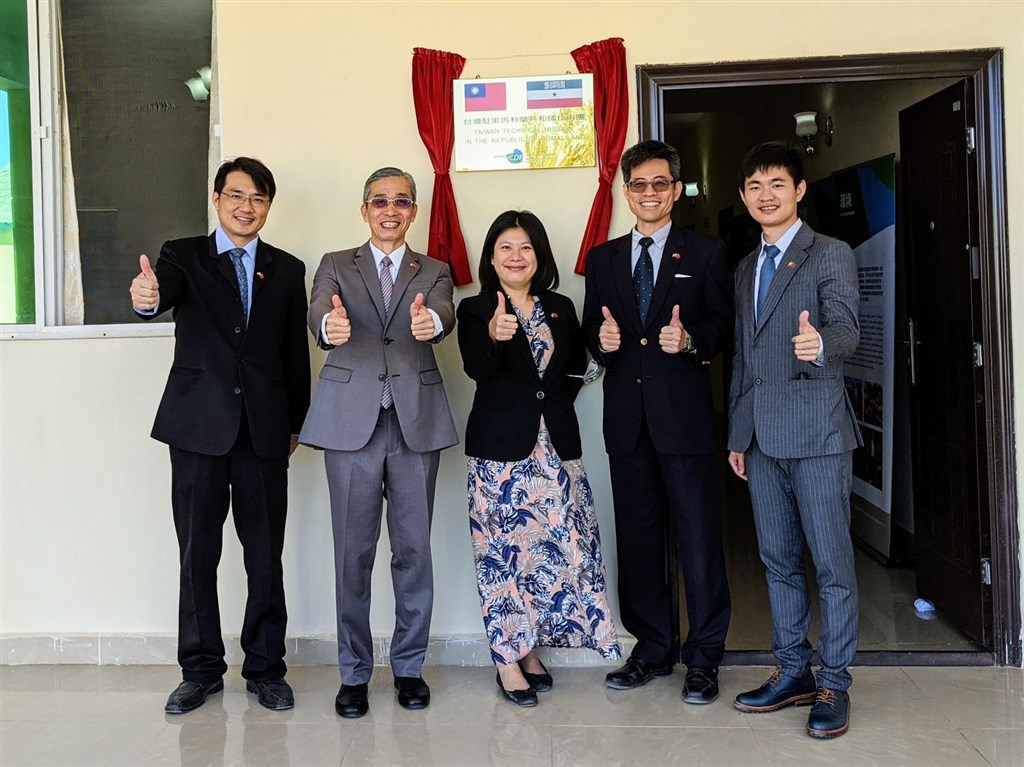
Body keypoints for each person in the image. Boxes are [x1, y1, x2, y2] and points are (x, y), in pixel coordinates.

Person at [129, 157, 310, 714]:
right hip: (198, 428)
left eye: (257, 198)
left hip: (263, 432)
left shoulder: (286, 267)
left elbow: (292, 355)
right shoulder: (183, 255)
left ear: (268, 206)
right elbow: (161, 295)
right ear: (216, 199)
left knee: (265, 555)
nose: (245, 206)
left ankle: (265, 669)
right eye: (235, 195)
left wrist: (295, 422)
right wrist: (147, 297)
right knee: (197, 554)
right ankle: (201, 670)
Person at [299, 167, 458, 719]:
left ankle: (409, 667)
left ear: (414, 211)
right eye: (379, 201)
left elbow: (445, 311)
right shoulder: (336, 264)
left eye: (402, 201)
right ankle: (354, 673)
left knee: (413, 552)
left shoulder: (434, 268)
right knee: (353, 554)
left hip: (415, 423)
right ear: (364, 210)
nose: (390, 210)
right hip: (350, 424)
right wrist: (328, 329)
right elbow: (320, 306)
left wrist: (431, 324)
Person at [582, 140, 732, 704]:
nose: (649, 193)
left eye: (660, 184)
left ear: (676, 189)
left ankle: (704, 657)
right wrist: (600, 342)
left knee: (698, 539)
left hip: (686, 422)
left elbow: (723, 323)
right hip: (627, 423)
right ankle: (651, 647)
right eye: (639, 185)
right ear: (626, 192)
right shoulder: (603, 258)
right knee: (640, 540)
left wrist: (692, 340)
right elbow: (589, 333)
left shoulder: (706, 252)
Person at [458, 210, 621, 707]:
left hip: (555, 453)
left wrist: (606, 350)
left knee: (547, 558)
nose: (515, 256)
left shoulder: (560, 306)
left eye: (526, 247)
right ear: (491, 256)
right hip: (499, 456)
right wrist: (495, 336)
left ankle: (530, 652)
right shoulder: (474, 309)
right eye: (505, 247)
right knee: (502, 558)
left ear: (539, 256)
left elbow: (573, 371)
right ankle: (507, 662)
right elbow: (476, 369)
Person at [727, 141, 861, 739]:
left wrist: (821, 345)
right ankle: (792, 671)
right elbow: (743, 359)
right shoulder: (745, 266)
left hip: (817, 433)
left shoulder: (829, 254)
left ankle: (834, 681)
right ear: (744, 196)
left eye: (777, 184)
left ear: (800, 190)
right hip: (760, 437)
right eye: (755, 186)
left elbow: (847, 328)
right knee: (778, 562)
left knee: (830, 564)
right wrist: (738, 433)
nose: (766, 195)